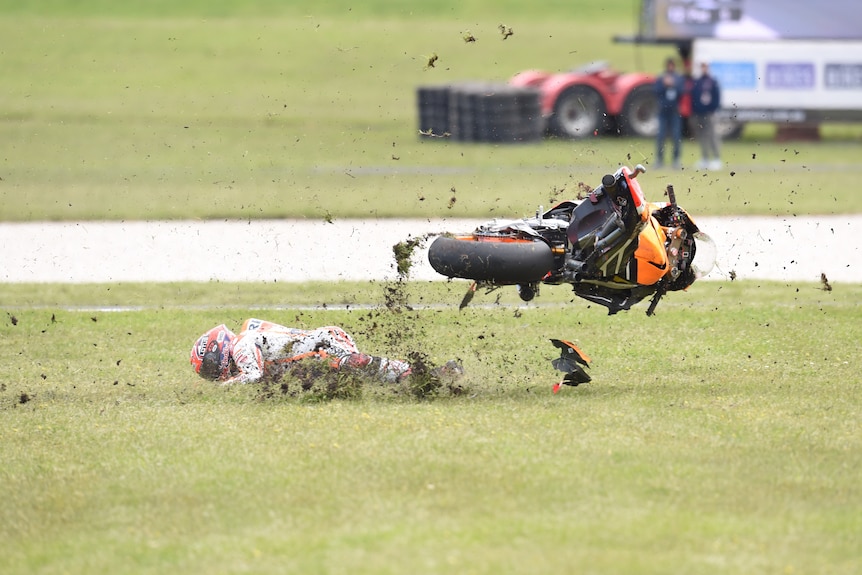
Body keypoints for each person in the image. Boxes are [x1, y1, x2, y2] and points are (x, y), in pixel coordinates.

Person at [190, 318, 462, 385]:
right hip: (314, 364)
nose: (215, 376)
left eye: (212, 369)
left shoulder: (242, 344)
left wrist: (224, 387)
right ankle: (421, 379)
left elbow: (253, 375)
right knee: (366, 381)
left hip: (325, 344)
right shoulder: (249, 337)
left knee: (352, 364)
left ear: (219, 351)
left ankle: (430, 376)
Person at [654, 57, 686, 169]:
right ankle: (659, 159)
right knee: (661, 136)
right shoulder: (662, 77)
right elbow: (656, 90)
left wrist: (673, 85)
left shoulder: (678, 78)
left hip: (674, 111)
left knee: (676, 135)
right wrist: (664, 85)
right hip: (663, 111)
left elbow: (682, 91)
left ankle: (676, 159)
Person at [690, 62, 722, 170]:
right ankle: (705, 158)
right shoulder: (698, 81)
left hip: (709, 113)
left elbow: (717, 97)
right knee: (702, 136)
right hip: (699, 113)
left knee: (712, 135)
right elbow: (693, 96)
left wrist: (713, 109)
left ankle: (717, 158)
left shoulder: (712, 81)